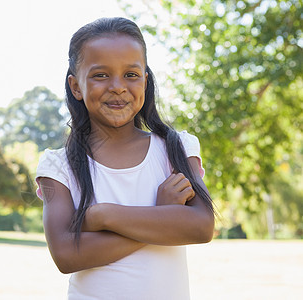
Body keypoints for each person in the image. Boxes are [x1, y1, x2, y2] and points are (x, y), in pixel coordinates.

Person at [36, 17, 215, 300]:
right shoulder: (58, 166)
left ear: (145, 80)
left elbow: (202, 227)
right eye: (100, 75)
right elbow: (66, 255)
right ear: (76, 87)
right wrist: (162, 215)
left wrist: (101, 215)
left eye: (131, 75)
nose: (118, 86)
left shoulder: (176, 148)